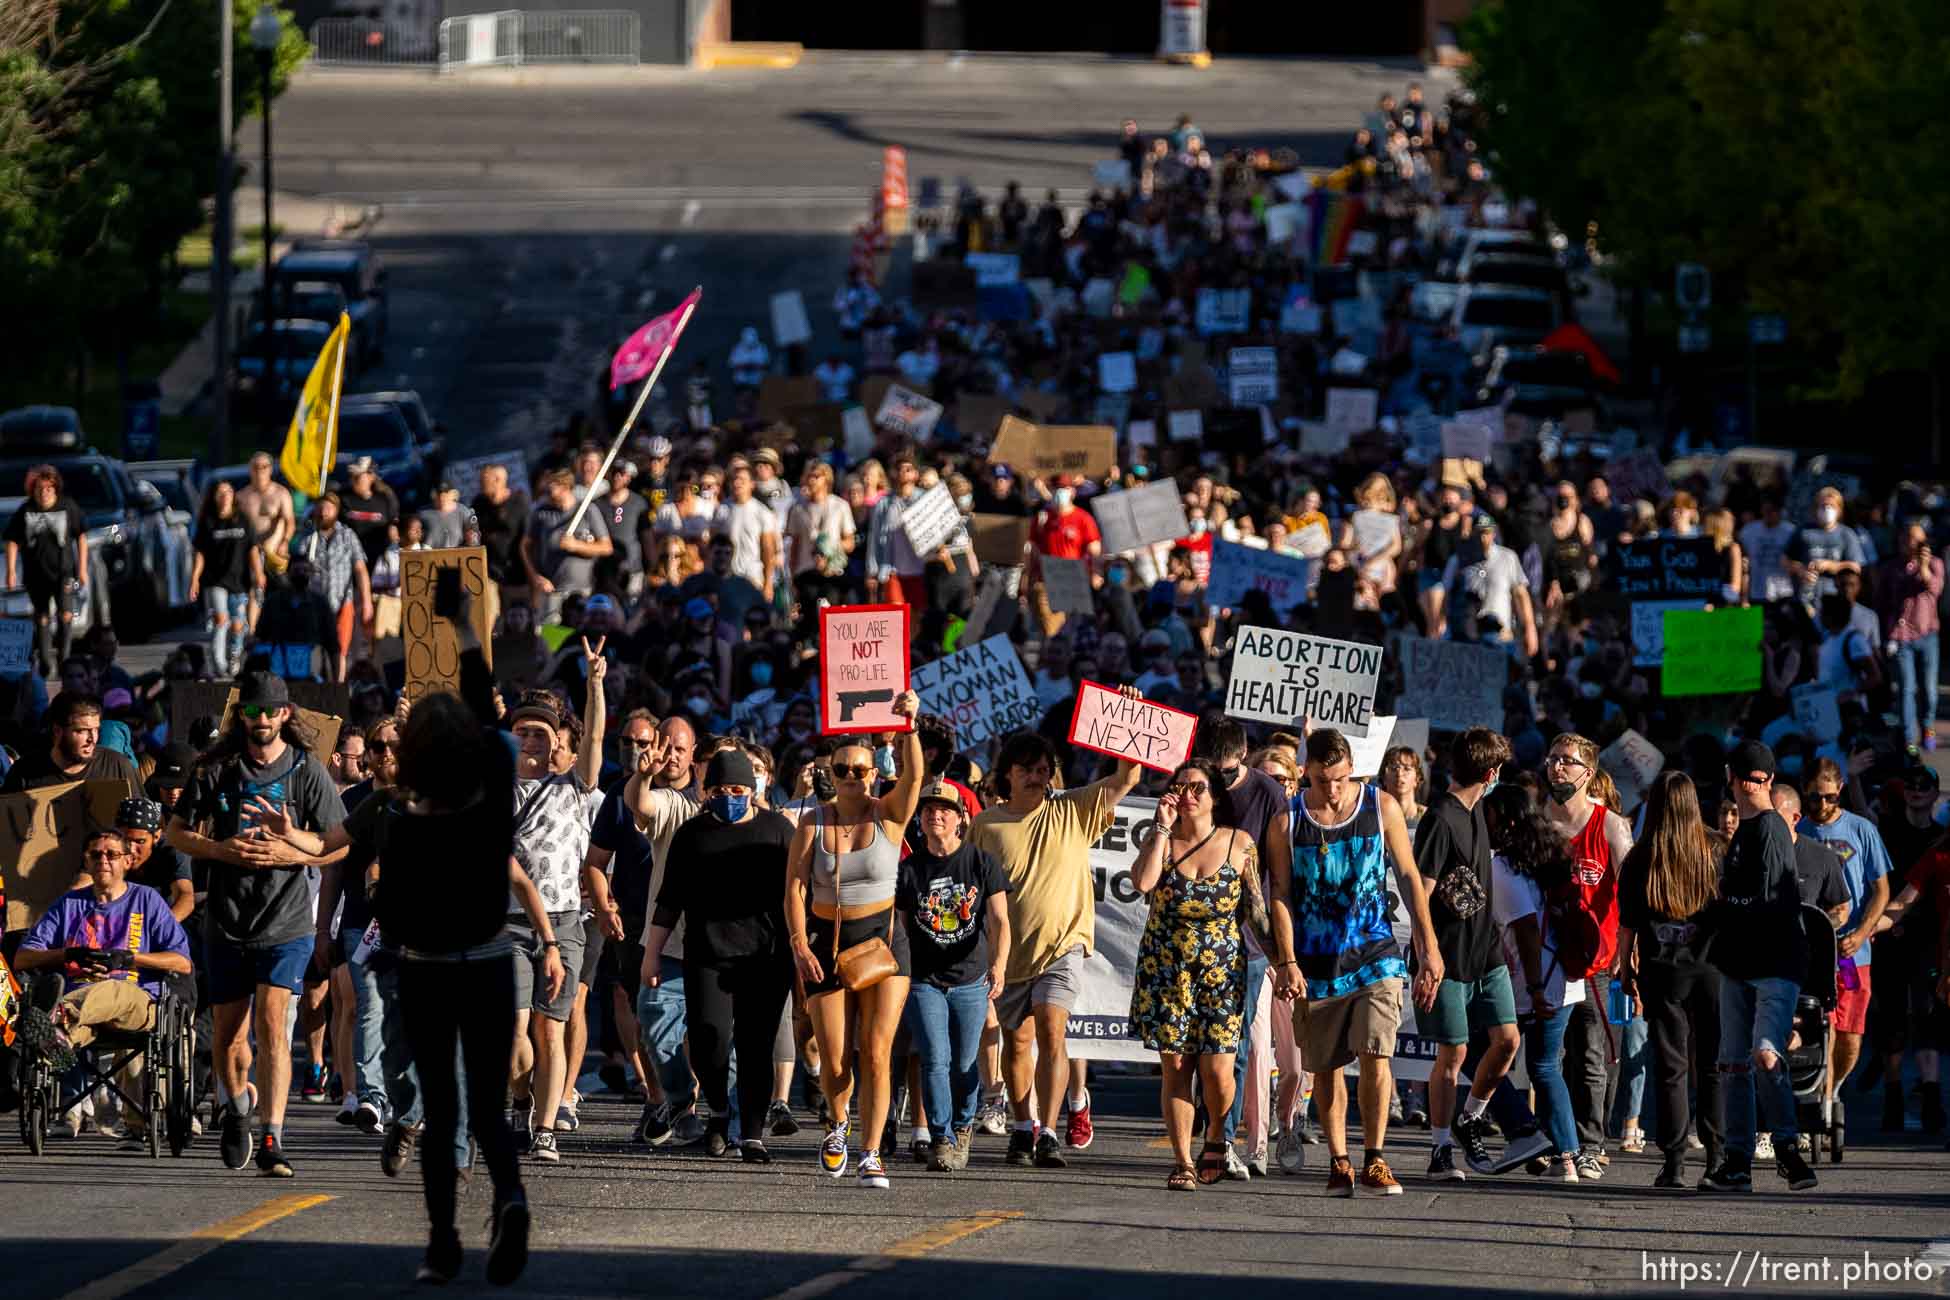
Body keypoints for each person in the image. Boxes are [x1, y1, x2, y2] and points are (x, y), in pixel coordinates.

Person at [324, 690, 559, 1285]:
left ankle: (460, 1231)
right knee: (455, 1094)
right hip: (454, 963)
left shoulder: (436, 815)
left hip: (455, 966)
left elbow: (406, 909)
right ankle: (492, 1199)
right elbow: (498, 738)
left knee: (455, 1101)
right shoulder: (438, 808)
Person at [166, 670, 346, 1178]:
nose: (261, 719)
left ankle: (273, 1136)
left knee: (272, 1022)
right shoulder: (214, 769)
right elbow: (176, 832)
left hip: (286, 920)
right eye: (252, 711)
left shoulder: (307, 771)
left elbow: (338, 844)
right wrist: (220, 848)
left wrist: (291, 844)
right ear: (240, 715)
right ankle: (237, 1109)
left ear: (286, 714)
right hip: (226, 920)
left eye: (270, 710)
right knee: (229, 1035)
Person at [1266, 728, 1445, 1198]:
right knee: (1324, 1068)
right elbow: (1280, 893)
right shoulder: (1287, 820)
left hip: (1375, 953)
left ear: (1353, 770)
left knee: (1375, 1052)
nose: (1334, 789)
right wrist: (1286, 960)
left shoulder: (1379, 805)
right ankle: (1339, 1160)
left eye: (1341, 778)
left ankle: (1376, 1157)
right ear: (1307, 772)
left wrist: (1428, 945)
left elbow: (1407, 875)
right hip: (1316, 959)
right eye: (1324, 780)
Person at [971, 725, 1143, 1170]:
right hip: (1008, 953)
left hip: (1062, 945)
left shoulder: (1071, 809)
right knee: (1018, 1040)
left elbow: (1127, 777)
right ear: (1007, 773)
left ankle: (1048, 1130)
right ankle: (1023, 1125)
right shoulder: (985, 824)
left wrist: (1126, 720)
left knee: (1052, 1030)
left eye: (1044, 770)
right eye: (1027, 770)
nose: (1036, 777)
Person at [785, 690, 925, 1189]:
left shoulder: (889, 815)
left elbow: (914, 778)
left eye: (859, 770)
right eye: (841, 769)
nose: (850, 777)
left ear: (874, 773)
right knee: (835, 1054)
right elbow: (795, 888)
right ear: (830, 771)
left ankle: (871, 1151)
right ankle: (839, 1125)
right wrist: (800, 944)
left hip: (883, 943)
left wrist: (909, 725)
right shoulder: (812, 821)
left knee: (878, 1048)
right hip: (826, 938)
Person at [644, 746, 796, 1163]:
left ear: (752, 789)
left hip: (766, 959)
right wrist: (652, 955)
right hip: (707, 955)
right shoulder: (692, 834)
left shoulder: (780, 831)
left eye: (736, 789)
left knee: (755, 1047)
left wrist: (801, 948)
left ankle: (750, 1134)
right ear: (707, 792)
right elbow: (669, 901)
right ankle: (717, 1108)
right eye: (719, 789)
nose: (728, 796)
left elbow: (797, 896)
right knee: (709, 1041)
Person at [14, 828, 193, 1149]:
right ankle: (57, 1040)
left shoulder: (146, 899)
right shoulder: (69, 904)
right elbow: (23, 958)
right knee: (71, 1028)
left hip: (136, 1000)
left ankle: (56, 1022)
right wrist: (68, 954)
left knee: (111, 989)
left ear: (127, 861)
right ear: (86, 861)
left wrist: (130, 958)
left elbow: (182, 963)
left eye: (111, 854)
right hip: (84, 1009)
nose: (103, 861)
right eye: (95, 854)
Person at [498, 643, 606, 1164]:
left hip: (563, 921)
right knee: (514, 1029)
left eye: (542, 731)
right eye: (523, 731)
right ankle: (521, 1095)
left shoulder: (575, 788)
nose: (532, 738)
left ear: (558, 739)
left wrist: (596, 685)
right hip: (506, 922)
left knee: (551, 1026)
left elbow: (598, 738)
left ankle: (544, 1127)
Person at [1701, 740, 1819, 1192]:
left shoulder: (1769, 829)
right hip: (1737, 963)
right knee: (1732, 1064)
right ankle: (1737, 1162)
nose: (1748, 785)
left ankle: (1788, 1150)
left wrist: (1720, 905)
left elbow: (1766, 901)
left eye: (1753, 778)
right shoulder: (1743, 833)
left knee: (1765, 1053)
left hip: (1775, 963)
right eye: (1747, 777)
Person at [1131, 759, 1252, 1190]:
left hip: (1221, 973)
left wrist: (1285, 963)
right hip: (1167, 971)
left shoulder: (1240, 844)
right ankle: (1182, 1161)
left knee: (1219, 1071)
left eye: (1197, 787)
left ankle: (1217, 1135)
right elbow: (1141, 882)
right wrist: (1161, 827)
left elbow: (1256, 911)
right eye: (1180, 786)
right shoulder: (1161, 841)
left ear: (1215, 796)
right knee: (1177, 1068)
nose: (1188, 794)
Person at [1416, 727, 1530, 1182]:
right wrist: (1428, 956)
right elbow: (1420, 893)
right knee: (1453, 1053)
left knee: (1507, 1040)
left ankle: (1472, 1116)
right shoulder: (1440, 819)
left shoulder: (1480, 809)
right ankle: (1441, 1149)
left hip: (1485, 951)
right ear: (1490, 772)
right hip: (1447, 956)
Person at [1618, 772, 1726, 1190]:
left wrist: (1625, 969)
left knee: (1670, 1065)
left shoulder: (1642, 855)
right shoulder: (1716, 848)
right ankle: (1716, 1159)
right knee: (1713, 1062)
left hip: (1662, 969)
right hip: (1712, 966)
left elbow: (1628, 923)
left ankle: (1674, 1161)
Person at [898, 778, 1011, 1172]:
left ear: (961, 818)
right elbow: (898, 927)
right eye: (929, 809)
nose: (936, 815)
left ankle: (963, 1126)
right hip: (923, 980)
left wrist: (998, 966)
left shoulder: (982, 863)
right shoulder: (909, 870)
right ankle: (942, 1137)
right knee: (934, 1059)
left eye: (944, 809)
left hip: (970, 980)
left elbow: (999, 921)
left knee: (965, 1064)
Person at [1538, 732, 1634, 1178]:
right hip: (1546, 958)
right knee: (1548, 1057)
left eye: (1568, 761)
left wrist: (1629, 953)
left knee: (1591, 1055)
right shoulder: (1537, 823)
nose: (1557, 767)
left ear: (1588, 774)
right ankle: (1556, 1143)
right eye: (1553, 758)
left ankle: (1590, 1144)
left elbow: (1632, 892)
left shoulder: (1610, 825)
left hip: (1598, 962)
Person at [1484, 784, 1587, 1184]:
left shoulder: (1504, 867)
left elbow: (1526, 929)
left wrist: (1537, 990)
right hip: (1562, 976)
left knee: (1488, 1052)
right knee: (1546, 1066)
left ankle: (1544, 1142)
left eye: (1489, 817)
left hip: (1536, 982)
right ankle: (1566, 1155)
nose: (1485, 825)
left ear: (1506, 821)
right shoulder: (1549, 853)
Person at [621, 717, 708, 1146]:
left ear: (695, 754)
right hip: (667, 940)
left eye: (680, 748)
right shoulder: (669, 803)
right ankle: (679, 1097)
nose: (671, 755)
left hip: (719, 945)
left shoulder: (723, 801)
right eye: (665, 746)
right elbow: (641, 804)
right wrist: (643, 775)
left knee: (718, 1038)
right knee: (654, 1022)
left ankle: (727, 1117)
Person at [1796, 759, 1892, 1113]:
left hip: (1854, 953)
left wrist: (1863, 932)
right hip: (1813, 952)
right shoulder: (1799, 830)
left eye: (1830, 798)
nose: (1822, 806)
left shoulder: (1861, 829)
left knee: (1851, 1036)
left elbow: (1881, 890)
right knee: (1822, 1027)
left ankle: (1833, 1089)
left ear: (1840, 795)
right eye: (1814, 798)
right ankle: (1819, 1101)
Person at [4, 464, 88, 675]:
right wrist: (11, 570)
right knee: (41, 617)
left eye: (49, 488)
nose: (44, 493)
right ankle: (44, 661)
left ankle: (64, 660)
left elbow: (81, 536)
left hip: (63, 571)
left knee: (66, 614)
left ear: (55, 488)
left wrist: (83, 569)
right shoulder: (26, 510)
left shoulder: (67, 507)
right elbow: (13, 540)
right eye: (40, 489)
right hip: (36, 573)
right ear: (33, 489)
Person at [291, 492, 373, 683]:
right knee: (316, 648)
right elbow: (297, 569)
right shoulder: (308, 539)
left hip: (343, 599)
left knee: (341, 649)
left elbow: (360, 568)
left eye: (328, 508)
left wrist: (366, 601)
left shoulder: (347, 535)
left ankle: (338, 687)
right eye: (320, 508)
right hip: (316, 602)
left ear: (336, 510)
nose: (324, 512)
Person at [189, 479, 264, 678]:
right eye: (220, 493)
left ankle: (234, 658)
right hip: (214, 581)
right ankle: (218, 664)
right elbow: (200, 553)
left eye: (228, 492)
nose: (225, 497)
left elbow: (253, 549)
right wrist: (195, 578)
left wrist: (259, 574)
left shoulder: (243, 520)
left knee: (239, 624)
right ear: (214, 497)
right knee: (221, 619)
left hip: (239, 581)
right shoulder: (208, 521)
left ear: (233, 496)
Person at [0, 690, 141, 794]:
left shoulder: (116, 765)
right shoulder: (25, 772)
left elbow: (146, 823)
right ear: (57, 731)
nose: (92, 739)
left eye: (96, 730)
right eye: (82, 731)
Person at [1882, 521, 1943, 750]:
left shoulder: (1935, 564)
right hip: (1901, 636)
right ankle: (1909, 739)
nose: (1912, 543)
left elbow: (1934, 589)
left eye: (1918, 539)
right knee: (1906, 688)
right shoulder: (1892, 567)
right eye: (1909, 538)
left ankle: (1927, 725)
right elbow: (1883, 601)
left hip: (1928, 634)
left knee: (1929, 687)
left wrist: (1924, 565)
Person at [524, 469, 613, 622]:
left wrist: (576, 546)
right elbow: (525, 547)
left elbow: (606, 547)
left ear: (564, 486)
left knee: (581, 634)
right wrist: (535, 577)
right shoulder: (541, 513)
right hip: (553, 592)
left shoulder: (588, 510)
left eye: (551, 485)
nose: (545, 489)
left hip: (583, 591)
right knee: (552, 640)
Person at [236, 450, 298, 584]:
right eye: (255, 467)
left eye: (264, 466)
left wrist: (285, 541)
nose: (260, 471)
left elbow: (290, 522)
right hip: (250, 554)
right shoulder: (241, 496)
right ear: (250, 470)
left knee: (281, 592)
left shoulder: (281, 493)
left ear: (270, 469)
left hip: (274, 551)